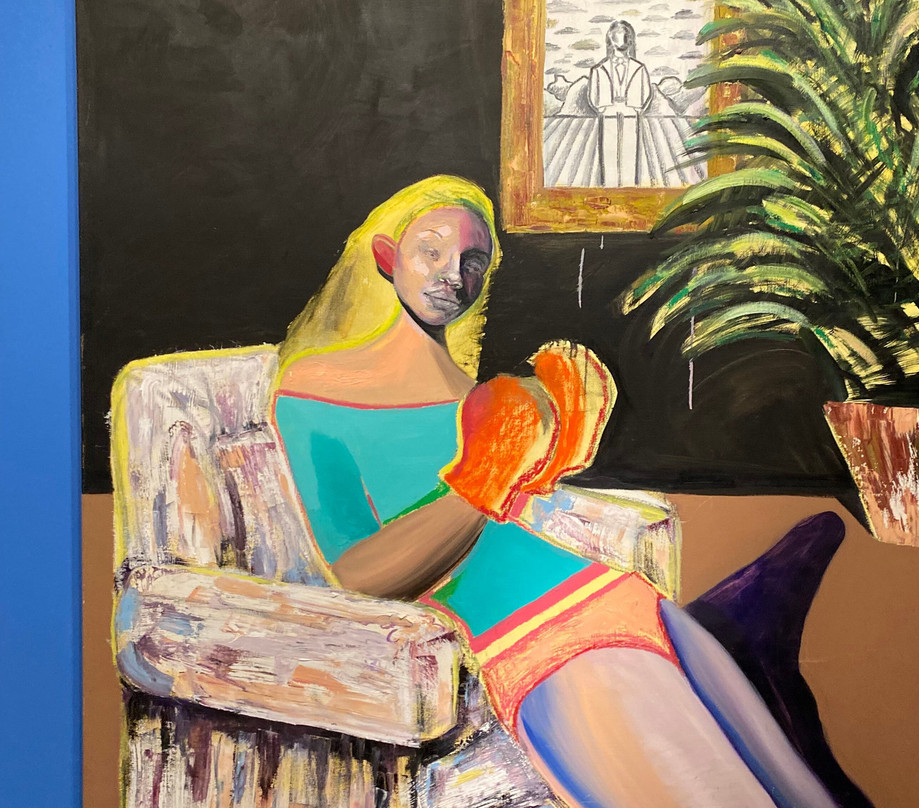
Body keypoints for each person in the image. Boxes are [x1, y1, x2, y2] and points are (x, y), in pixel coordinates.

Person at [271, 175, 837, 808]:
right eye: (431, 250)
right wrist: (485, 476)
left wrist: (560, 445)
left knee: (804, 797)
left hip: (620, 596)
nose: (453, 274)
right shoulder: (312, 387)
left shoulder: (474, 394)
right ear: (386, 257)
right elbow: (359, 574)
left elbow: (508, 519)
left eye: (473, 260)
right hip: (529, 636)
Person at [588, 21, 651, 186]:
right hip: (608, 114)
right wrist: (603, 108)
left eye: (625, 35)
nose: (621, 39)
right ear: (610, 39)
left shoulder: (639, 68)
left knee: (630, 154)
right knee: (609, 155)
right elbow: (593, 96)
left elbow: (646, 93)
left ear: (630, 40)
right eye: (617, 34)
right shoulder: (599, 69)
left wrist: (635, 108)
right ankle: (610, 188)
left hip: (631, 114)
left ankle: (629, 190)